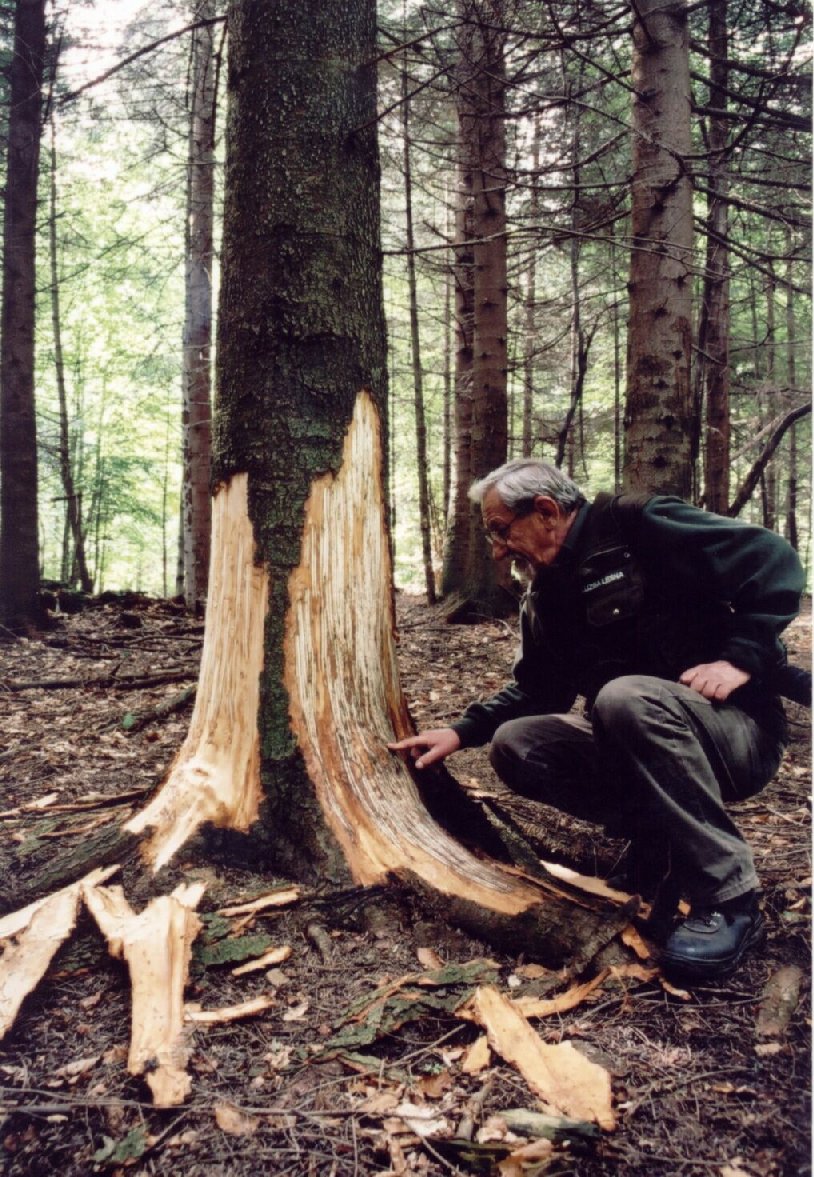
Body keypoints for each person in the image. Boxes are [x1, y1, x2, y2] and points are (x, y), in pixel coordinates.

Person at [389, 459, 806, 981]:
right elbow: (540, 688)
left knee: (623, 697)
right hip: (643, 734)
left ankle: (731, 900)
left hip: (740, 733)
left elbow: (772, 558)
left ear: (546, 511)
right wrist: (460, 732)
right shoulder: (547, 592)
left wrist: (740, 658)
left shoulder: (638, 522)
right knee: (518, 744)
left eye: (501, 530)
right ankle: (660, 838)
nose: (497, 550)